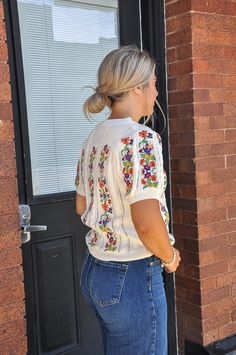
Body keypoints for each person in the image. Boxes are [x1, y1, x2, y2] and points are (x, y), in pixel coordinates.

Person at [74, 45, 181, 355]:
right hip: (132, 274)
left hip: (96, 272)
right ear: (138, 87)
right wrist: (170, 256)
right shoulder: (140, 138)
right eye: (154, 84)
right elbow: (146, 223)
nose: (156, 93)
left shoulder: (93, 139)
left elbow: (81, 206)